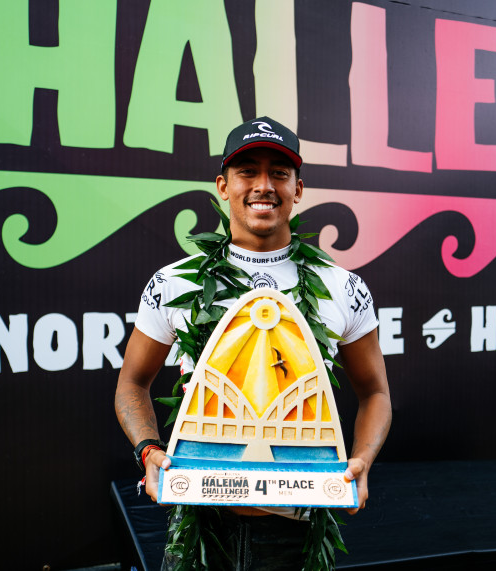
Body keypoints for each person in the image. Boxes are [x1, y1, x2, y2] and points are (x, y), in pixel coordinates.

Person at [115, 116, 392, 569]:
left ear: (298, 189)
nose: (264, 185)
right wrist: (149, 450)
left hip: (297, 531)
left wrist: (360, 462)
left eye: (279, 173)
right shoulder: (172, 282)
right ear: (223, 186)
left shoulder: (343, 287)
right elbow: (132, 383)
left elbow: (376, 392)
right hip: (200, 526)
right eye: (248, 171)